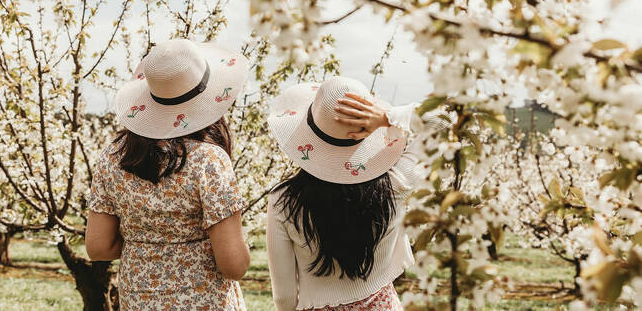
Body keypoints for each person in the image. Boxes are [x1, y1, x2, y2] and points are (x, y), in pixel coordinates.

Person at [85, 39, 251, 311]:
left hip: (138, 299)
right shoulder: (209, 160)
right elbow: (234, 265)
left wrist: (149, 245)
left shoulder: (113, 157)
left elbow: (99, 248)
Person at [266, 76, 441, 310]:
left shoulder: (284, 202)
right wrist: (386, 116)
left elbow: (285, 298)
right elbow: (445, 118)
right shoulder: (394, 185)